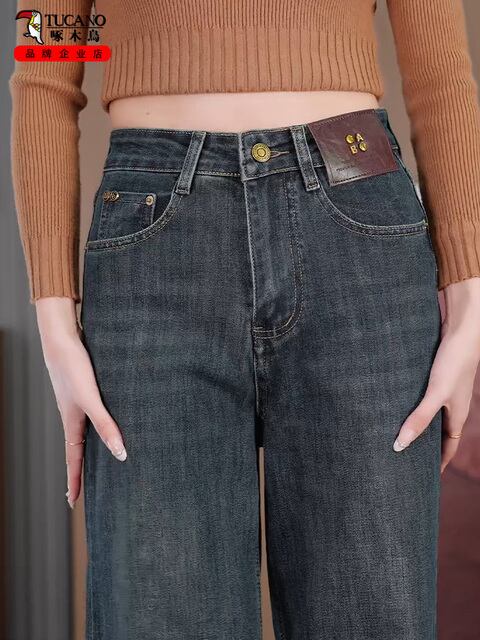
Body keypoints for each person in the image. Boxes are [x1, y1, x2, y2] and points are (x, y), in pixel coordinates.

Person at [9, 1, 480, 638]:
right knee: (156, 616)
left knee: (372, 615)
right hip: (153, 230)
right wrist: (54, 322)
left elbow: (440, 74)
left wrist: (469, 303)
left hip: (353, 192)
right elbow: (45, 70)